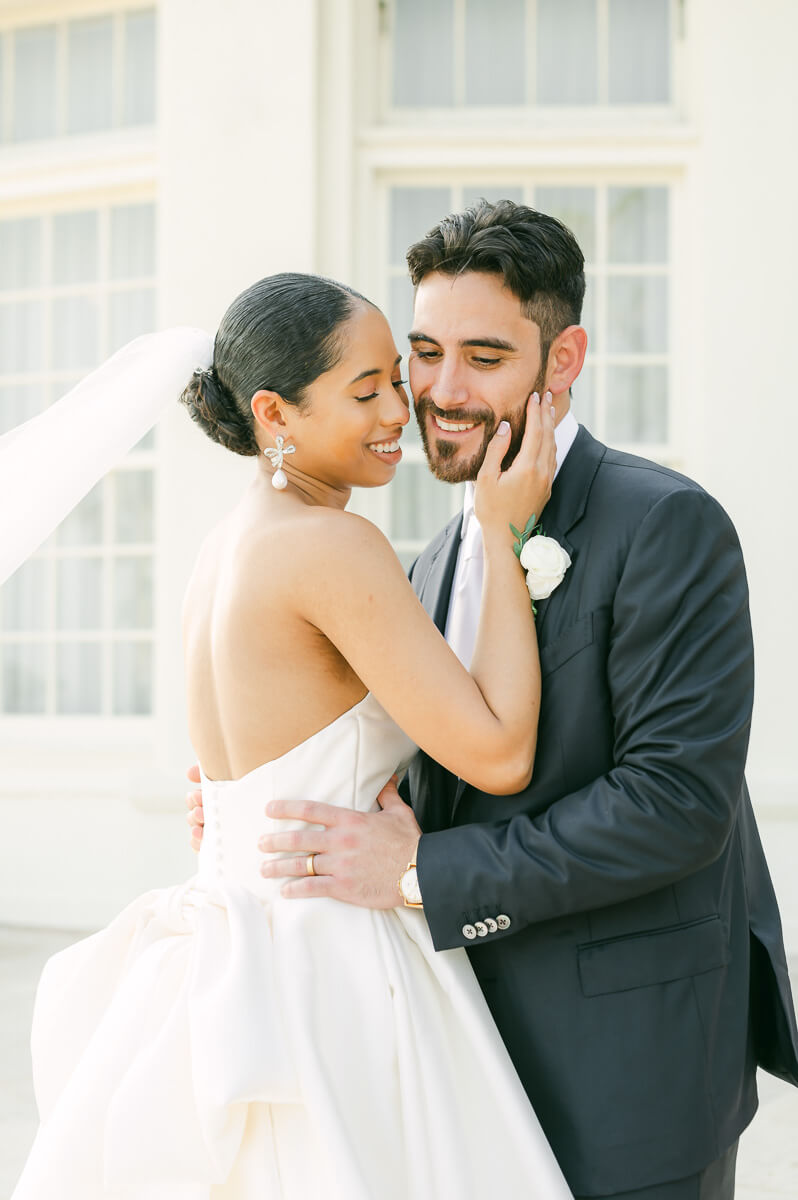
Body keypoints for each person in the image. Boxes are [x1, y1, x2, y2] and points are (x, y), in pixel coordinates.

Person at [188, 203, 798, 1200]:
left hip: (628, 1064)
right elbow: (429, 766)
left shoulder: (667, 524)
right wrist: (276, 802)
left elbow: (675, 806)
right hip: (459, 1051)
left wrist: (426, 869)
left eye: (483, 356)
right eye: (422, 354)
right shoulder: (425, 560)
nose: (437, 392)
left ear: (564, 361)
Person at [8, 272, 574, 1199]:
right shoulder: (332, 547)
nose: (404, 407)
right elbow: (501, 752)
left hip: (226, 957)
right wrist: (504, 534)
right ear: (275, 412)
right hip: (329, 961)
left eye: (399, 376)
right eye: (367, 391)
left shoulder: (222, 547)